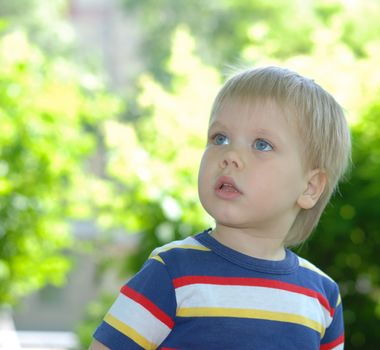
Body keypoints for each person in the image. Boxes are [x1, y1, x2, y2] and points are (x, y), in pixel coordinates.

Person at [89, 66, 351, 349]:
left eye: (261, 145)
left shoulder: (321, 296)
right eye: (220, 138)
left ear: (309, 187)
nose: (230, 156)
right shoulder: (173, 272)